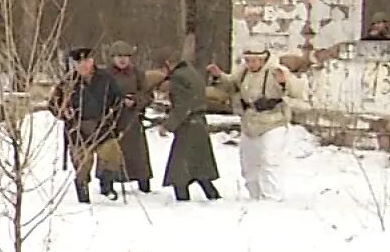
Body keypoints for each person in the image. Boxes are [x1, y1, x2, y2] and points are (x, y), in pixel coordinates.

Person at [206, 48, 300, 201]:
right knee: (249, 163)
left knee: (270, 159)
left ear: (263, 59)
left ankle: (272, 197)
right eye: (248, 60)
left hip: (273, 122)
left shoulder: (276, 71)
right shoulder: (243, 72)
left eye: (254, 60)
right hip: (249, 123)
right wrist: (219, 76)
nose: (251, 64)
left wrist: (284, 82)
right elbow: (231, 85)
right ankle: (255, 196)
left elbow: (297, 91)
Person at [49, 46, 127, 203]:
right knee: (82, 164)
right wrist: (64, 113)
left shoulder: (106, 79)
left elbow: (119, 102)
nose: (84, 65)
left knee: (112, 157)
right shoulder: (68, 82)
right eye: (80, 62)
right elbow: (53, 104)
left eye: (88, 61)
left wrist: (118, 126)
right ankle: (83, 196)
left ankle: (107, 184)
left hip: (103, 127)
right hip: (78, 130)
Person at [156, 53, 221, 202]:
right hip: (198, 123)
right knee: (199, 165)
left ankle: (182, 200)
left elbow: (183, 106)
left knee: (180, 168)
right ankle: (212, 196)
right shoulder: (191, 71)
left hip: (188, 126)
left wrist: (168, 125)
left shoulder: (178, 77)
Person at [103, 40, 159, 194]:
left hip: (133, 119)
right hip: (112, 119)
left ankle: (143, 183)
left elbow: (148, 95)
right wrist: (119, 101)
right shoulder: (105, 75)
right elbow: (100, 95)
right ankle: (107, 183)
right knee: (110, 152)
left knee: (138, 154)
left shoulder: (138, 74)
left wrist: (135, 101)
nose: (123, 60)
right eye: (119, 56)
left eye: (126, 56)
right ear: (112, 57)